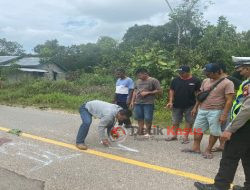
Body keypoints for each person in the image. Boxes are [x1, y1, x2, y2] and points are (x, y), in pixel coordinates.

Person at [194, 57, 250, 190]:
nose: (239, 72)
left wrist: (230, 129)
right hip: (246, 126)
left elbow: (247, 109)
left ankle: (220, 186)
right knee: (247, 157)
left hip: (244, 126)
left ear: (248, 68)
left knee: (229, 156)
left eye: (241, 69)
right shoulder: (246, 82)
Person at [182, 63, 234, 159]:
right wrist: (195, 107)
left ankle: (208, 150)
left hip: (216, 111)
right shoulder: (205, 81)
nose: (206, 74)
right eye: (206, 72)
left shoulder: (227, 83)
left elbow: (229, 100)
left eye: (209, 73)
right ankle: (195, 148)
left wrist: (224, 114)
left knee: (214, 131)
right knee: (197, 129)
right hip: (202, 109)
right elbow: (200, 95)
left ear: (217, 72)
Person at [166, 65, 201, 144]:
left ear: (188, 72)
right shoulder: (175, 80)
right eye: (179, 72)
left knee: (189, 121)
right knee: (175, 121)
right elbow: (171, 90)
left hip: (190, 105)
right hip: (176, 104)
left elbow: (198, 93)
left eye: (182, 72)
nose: (180, 74)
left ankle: (185, 137)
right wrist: (170, 101)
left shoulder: (196, 80)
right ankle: (174, 136)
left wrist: (197, 106)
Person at [212, 63, 242, 152]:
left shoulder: (230, 79)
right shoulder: (219, 79)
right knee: (221, 127)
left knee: (225, 127)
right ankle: (222, 145)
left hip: (228, 107)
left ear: (220, 70)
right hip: (219, 106)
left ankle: (225, 146)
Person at [130, 68, 162, 137]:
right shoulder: (137, 81)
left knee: (148, 118)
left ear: (145, 74)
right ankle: (140, 131)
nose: (138, 77)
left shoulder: (153, 80)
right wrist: (132, 101)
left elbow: (159, 91)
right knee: (139, 117)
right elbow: (135, 91)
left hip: (148, 103)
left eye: (140, 75)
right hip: (138, 102)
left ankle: (148, 132)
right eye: (138, 76)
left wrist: (148, 92)